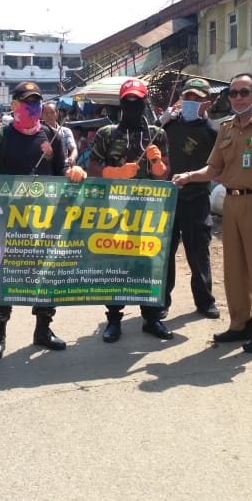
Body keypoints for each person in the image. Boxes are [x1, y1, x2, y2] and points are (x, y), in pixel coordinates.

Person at [171, 72, 252, 354]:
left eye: (243, 92)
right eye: (233, 93)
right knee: (234, 270)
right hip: (231, 205)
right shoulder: (226, 129)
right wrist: (188, 175)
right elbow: (214, 170)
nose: (237, 98)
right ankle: (241, 324)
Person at [0, 81, 85, 360]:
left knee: (46, 275)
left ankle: (43, 329)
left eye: (37, 102)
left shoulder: (51, 135)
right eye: (27, 102)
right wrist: (3, 191)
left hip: (44, 223)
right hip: (7, 223)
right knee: (2, 278)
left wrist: (75, 171)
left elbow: (61, 174)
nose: (33, 108)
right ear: (14, 105)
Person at [87, 78, 173, 342]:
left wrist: (157, 164)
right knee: (116, 263)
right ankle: (113, 320)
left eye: (137, 100)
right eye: (128, 101)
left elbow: (165, 176)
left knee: (148, 263)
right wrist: (114, 172)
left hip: (148, 212)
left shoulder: (157, 135)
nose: (133, 105)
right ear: (121, 104)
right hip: (115, 210)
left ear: (144, 102)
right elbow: (92, 168)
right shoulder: (107, 134)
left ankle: (151, 317)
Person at [161, 78, 221, 319]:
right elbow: (149, 149)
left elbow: (217, 166)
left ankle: (205, 302)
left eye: (197, 99)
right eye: (188, 97)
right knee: (165, 253)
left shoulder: (213, 131)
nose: (191, 102)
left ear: (207, 103)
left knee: (198, 253)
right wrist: (160, 122)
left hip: (196, 198)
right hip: (167, 199)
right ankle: (161, 301)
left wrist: (192, 177)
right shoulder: (169, 126)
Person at [42, 101, 77, 169]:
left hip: (63, 167)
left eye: (52, 112)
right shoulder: (38, 131)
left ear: (57, 113)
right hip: (44, 168)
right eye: (46, 113)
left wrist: (72, 157)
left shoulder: (66, 131)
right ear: (42, 115)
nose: (49, 115)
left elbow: (73, 148)